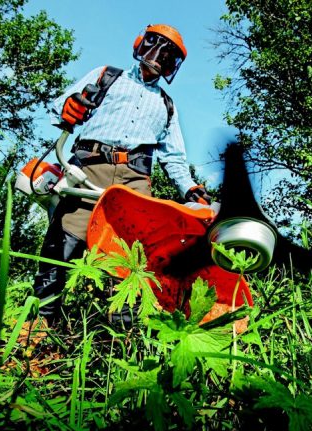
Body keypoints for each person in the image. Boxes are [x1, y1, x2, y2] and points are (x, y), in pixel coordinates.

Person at [33, 23, 211, 323]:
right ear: (141, 44)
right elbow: (60, 107)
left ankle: (119, 335)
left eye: (169, 56)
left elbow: (174, 158)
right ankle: (37, 325)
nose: (159, 58)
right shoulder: (107, 76)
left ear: (173, 66)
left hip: (134, 179)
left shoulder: (166, 105)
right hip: (91, 166)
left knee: (133, 257)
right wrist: (69, 107)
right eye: (156, 47)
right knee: (64, 243)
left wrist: (189, 189)